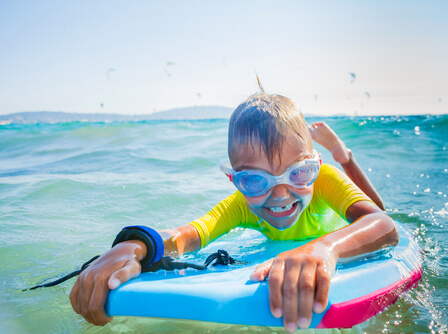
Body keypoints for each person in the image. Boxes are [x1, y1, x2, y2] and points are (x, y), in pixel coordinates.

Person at [70, 90, 398, 333]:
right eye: (255, 180)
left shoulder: (325, 180)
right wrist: (136, 245)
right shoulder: (242, 207)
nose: (280, 194)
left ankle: (342, 153)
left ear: (316, 166)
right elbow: (189, 235)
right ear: (236, 181)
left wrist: (324, 247)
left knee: (377, 204)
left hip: (340, 197)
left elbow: (382, 223)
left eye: (298, 173)